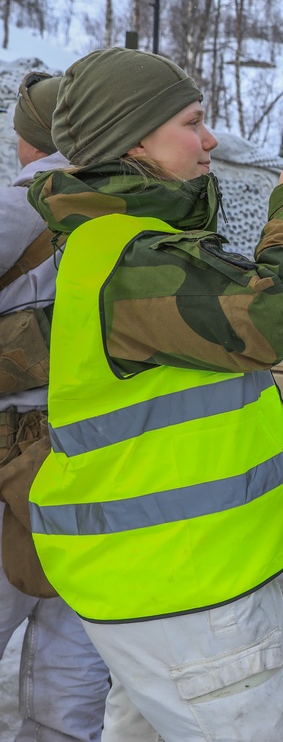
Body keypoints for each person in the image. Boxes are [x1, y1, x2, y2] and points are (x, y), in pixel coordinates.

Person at [24, 47, 283, 741]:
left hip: (162, 583)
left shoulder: (120, 243)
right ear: (131, 139)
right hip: (190, 594)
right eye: (194, 121)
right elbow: (267, 319)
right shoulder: (132, 259)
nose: (211, 140)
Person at [0, 70, 110, 742]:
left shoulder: (25, 197)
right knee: (74, 645)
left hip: (15, 454)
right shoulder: (135, 201)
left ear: (29, 141)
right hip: (97, 459)